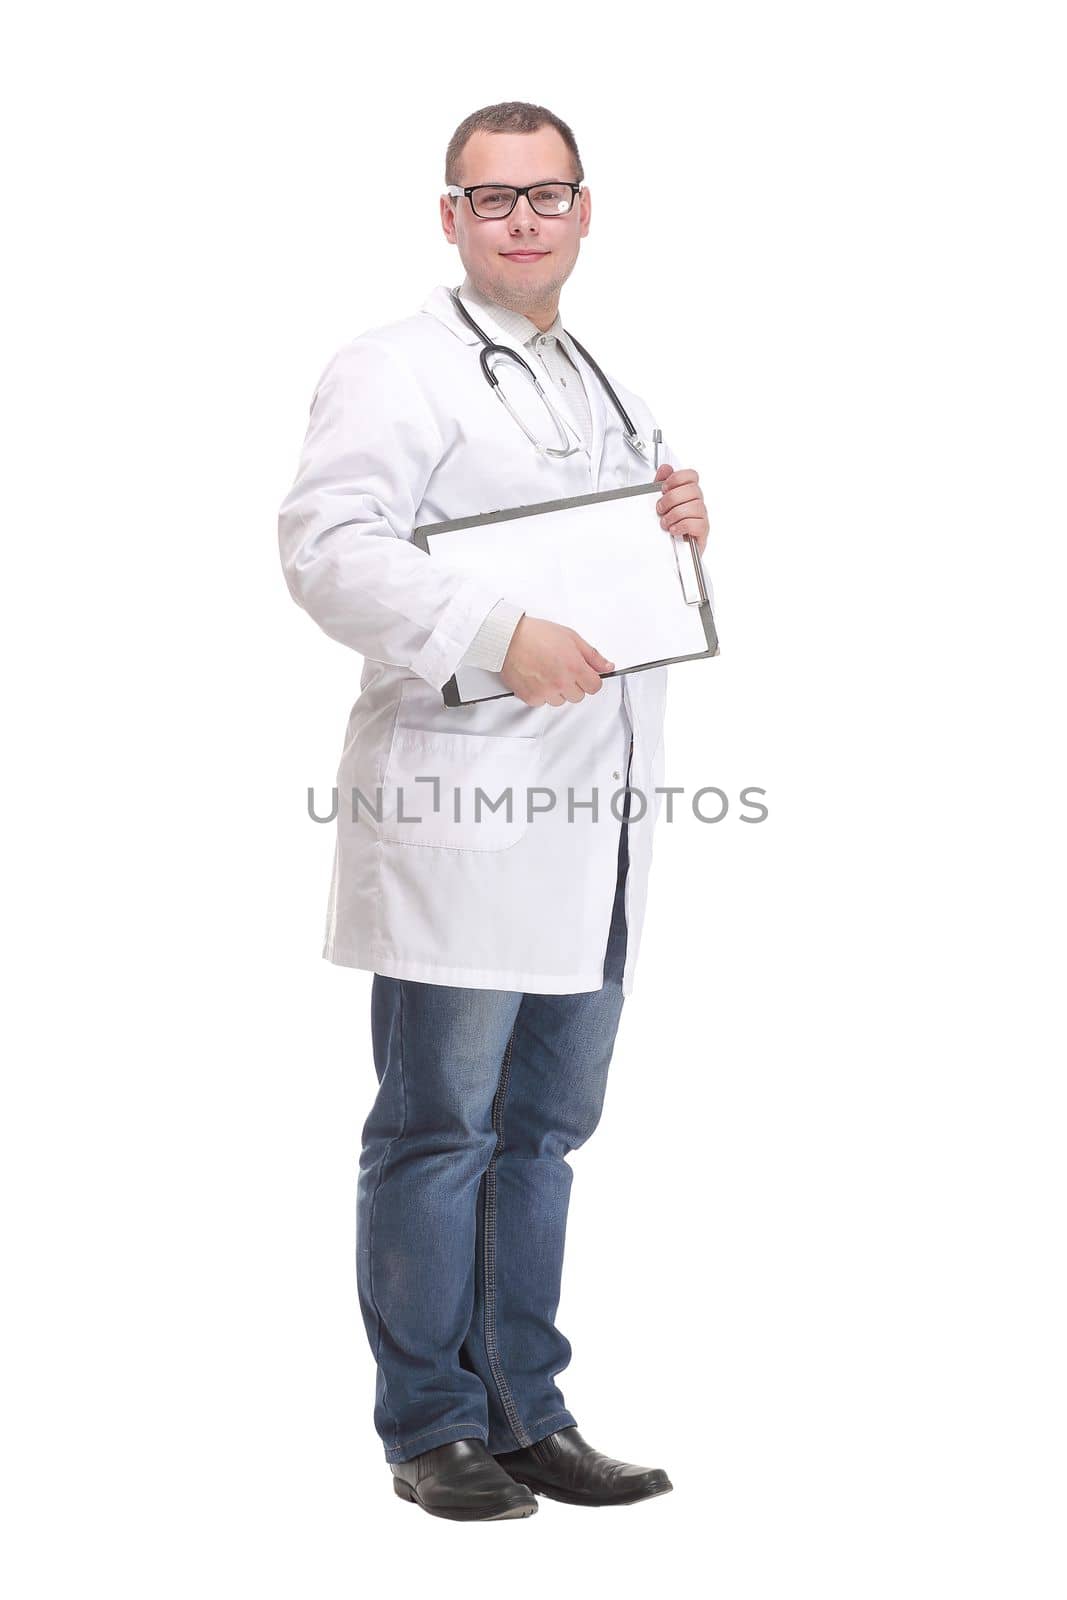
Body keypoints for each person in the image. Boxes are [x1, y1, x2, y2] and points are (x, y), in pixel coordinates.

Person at [277, 101, 711, 1522]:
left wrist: (674, 528)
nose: (521, 219)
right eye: (491, 198)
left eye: (546, 194)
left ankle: (529, 1408)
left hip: (596, 822)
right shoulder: (392, 370)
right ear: (451, 218)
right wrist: (489, 626)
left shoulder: (601, 379)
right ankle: (431, 1425)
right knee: (438, 1127)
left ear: (585, 211)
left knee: (544, 1131)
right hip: (468, 811)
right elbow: (328, 549)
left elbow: (600, 571)